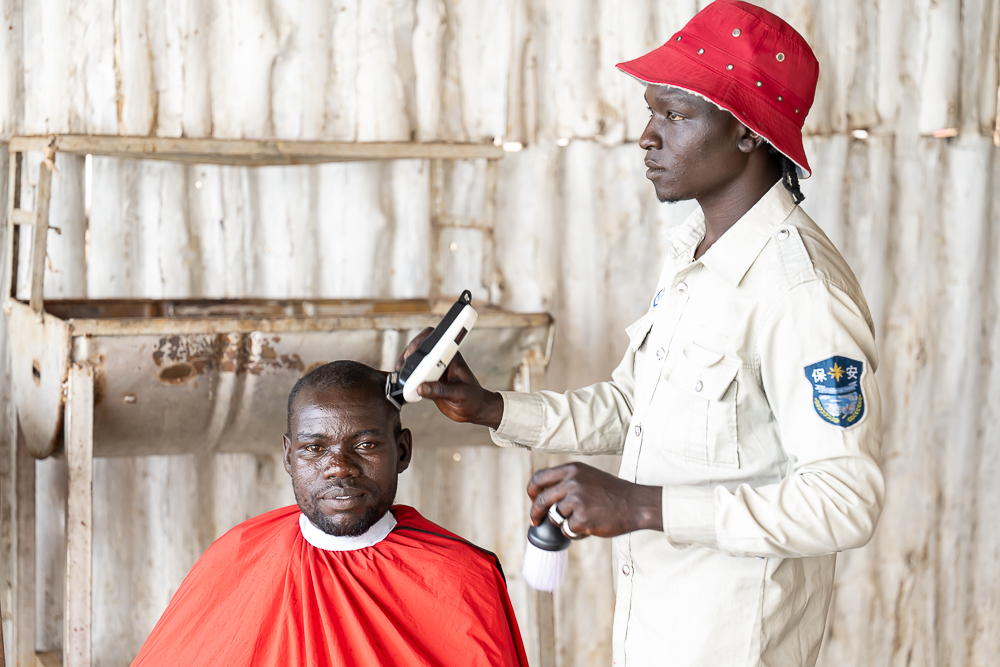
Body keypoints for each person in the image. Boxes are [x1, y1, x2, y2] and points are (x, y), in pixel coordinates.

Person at [397, 2, 884, 665]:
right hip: (657, 632)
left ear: (747, 132)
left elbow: (845, 500)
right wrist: (489, 408)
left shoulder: (800, 291)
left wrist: (644, 505)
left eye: (675, 114)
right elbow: (634, 408)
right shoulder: (696, 255)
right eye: (652, 111)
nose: (647, 136)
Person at [130, 361, 528, 667]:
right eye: (314, 448)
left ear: (402, 451)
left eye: (368, 444)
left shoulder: (461, 575)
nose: (340, 467)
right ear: (289, 456)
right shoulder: (235, 556)